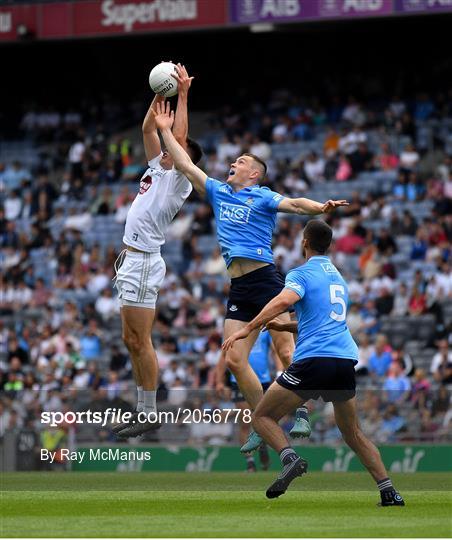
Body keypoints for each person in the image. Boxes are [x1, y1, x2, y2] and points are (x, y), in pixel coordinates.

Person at [152, 100, 347, 453]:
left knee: (286, 350)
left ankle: (301, 409)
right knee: (234, 359)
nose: (234, 163)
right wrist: (165, 129)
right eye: (235, 160)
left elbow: (295, 203)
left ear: (254, 174)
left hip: (266, 280)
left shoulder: (261, 196)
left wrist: (320, 207)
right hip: (239, 286)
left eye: (241, 161)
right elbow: (183, 163)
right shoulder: (217, 191)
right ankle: (262, 418)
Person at [222, 220, 404, 506]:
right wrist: (285, 328)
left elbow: (283, 300)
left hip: (313, 361)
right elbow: (322, 322)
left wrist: (249, 327)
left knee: (261, 417)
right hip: (343, 361)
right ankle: (389, 491)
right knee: (354, 433)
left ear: (305, 242)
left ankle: (290, 458)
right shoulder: (339, 279)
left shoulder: (301, 273)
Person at [112, 64, 203, 438]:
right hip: (130, 260)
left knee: (140, 339)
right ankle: (143, 408)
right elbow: (149, 128)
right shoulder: (156, 169)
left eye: (175, 149)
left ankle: (148, 411)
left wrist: (181, 95)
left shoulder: (179, 178)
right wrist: (160, 93)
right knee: (130, 340)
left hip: (146, 261)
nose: (168, 148)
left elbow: (175, 137)